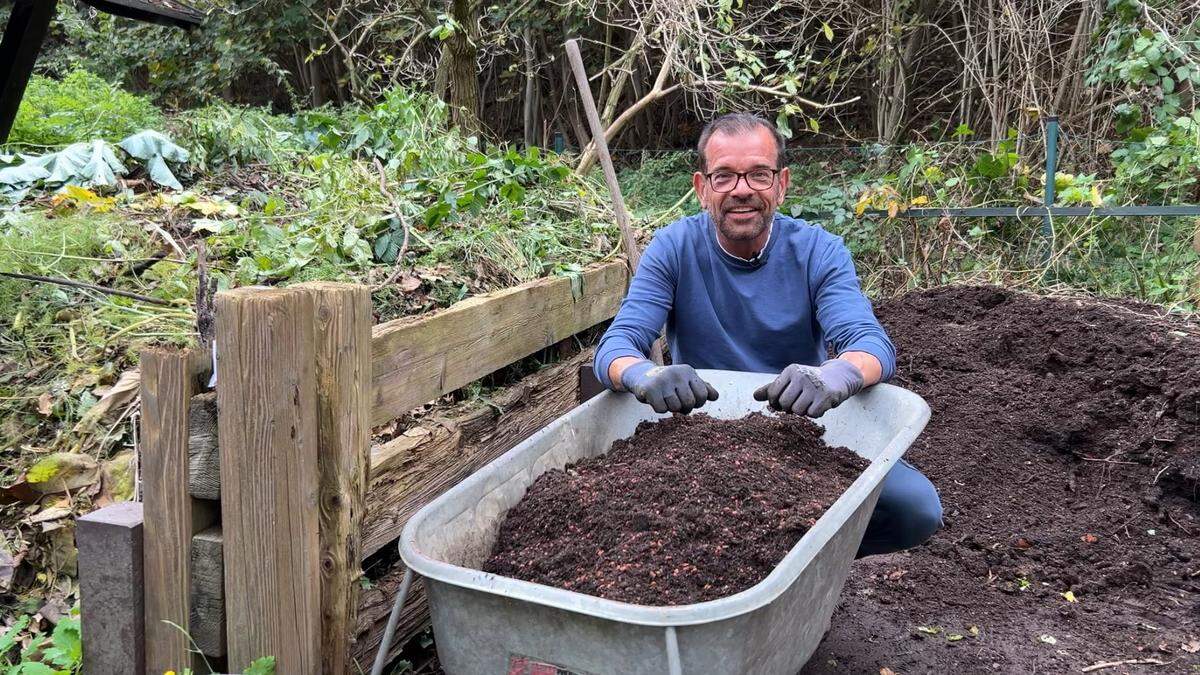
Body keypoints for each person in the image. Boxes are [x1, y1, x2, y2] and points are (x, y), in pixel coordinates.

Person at [593, 113, 942, 557]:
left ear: (781, 184)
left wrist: (834, 376)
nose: (742, 189)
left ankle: (801, 564)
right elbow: (617, 345)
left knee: (914, 509)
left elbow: (870, 345)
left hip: (801, 433)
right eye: (724, 176)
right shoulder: (673, 249)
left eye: (759, 174)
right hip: (698, 437)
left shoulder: (819, 251)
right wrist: (644, 376)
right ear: (702, 188)